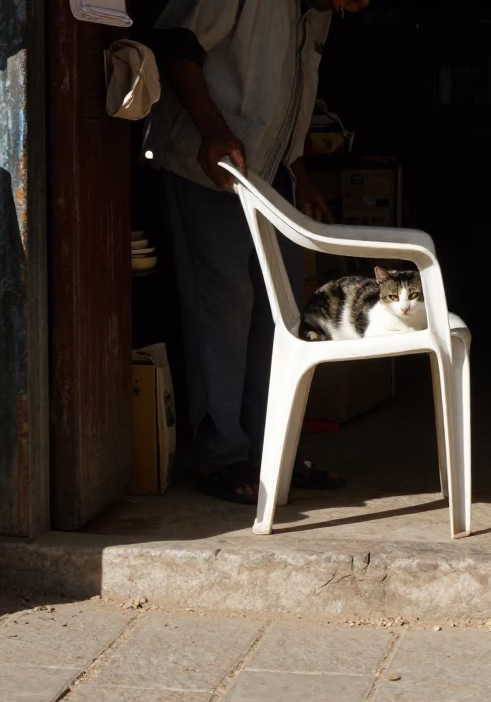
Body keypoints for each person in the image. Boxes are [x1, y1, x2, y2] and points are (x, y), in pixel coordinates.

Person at [144, 0, 370, 504]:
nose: (360, 6)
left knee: (281, 314)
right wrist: (212, 131)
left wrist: (300, 171)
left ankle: (273, 453)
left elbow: (291, 93)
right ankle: (223, 458)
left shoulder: (318, 12)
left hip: (272, 175)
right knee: (221, 309)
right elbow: (177, 44)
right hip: (209, 166)